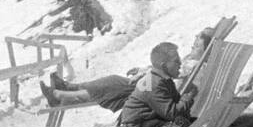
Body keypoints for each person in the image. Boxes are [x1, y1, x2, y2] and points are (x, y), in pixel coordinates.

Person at [39, 29, 215, 111]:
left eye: (198, 42)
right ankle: (66, 91)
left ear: (206, 48)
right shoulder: (190, 61)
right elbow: (164, 68)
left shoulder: (195, 65)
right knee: (113, 85)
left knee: (113, 84)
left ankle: (65, 92)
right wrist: (142, 70)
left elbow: (166, 73)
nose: (194, 42)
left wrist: (143, 73)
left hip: (157, 93)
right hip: (155, 88)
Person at [118, 43, 196, 127]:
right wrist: (187, 98)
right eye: (176, 61)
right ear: (164, 66)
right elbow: (172, 113)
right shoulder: (154, 83)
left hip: (147, 124)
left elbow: (176, 103)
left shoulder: (162, 79)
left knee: (190, 124)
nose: (180, 63)